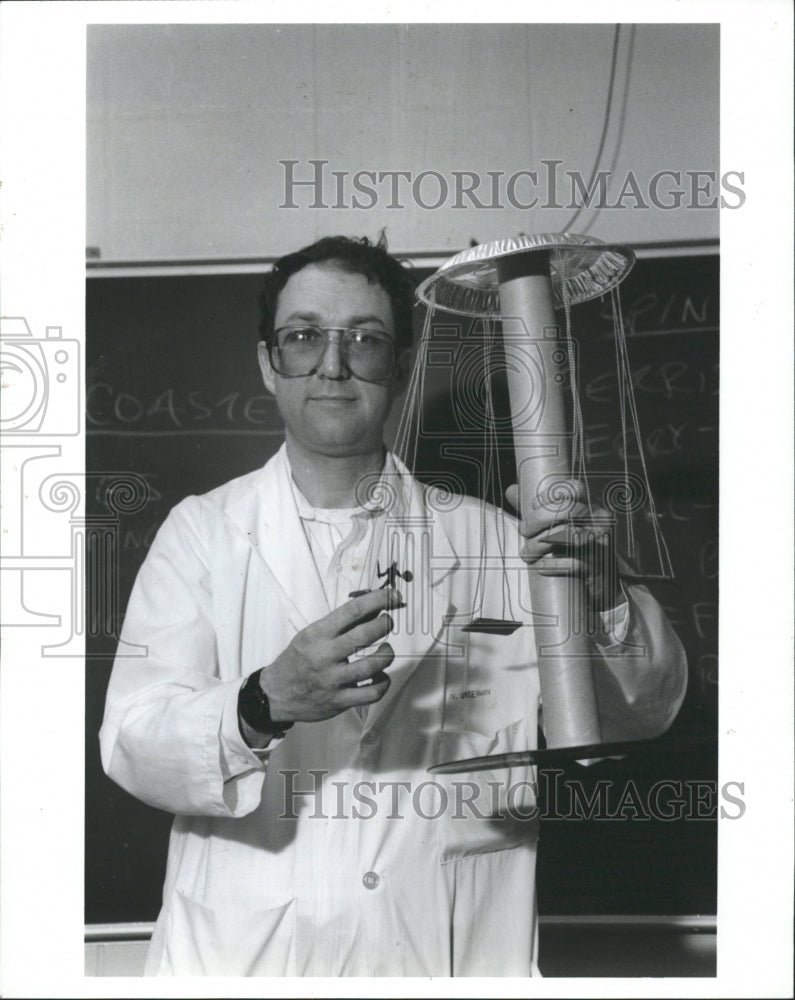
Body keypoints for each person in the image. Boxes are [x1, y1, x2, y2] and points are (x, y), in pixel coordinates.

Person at [100, 234, 687, 977]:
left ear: (401, 368)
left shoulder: (502, 542)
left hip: (447, 951)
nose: (333, 365)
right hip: (244, 959)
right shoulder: (203, 533)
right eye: (304, 337)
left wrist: (599, 589)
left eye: (366, 341)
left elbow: (638, 715)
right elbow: (133, 743)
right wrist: (261, 703)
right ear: (267, 363)